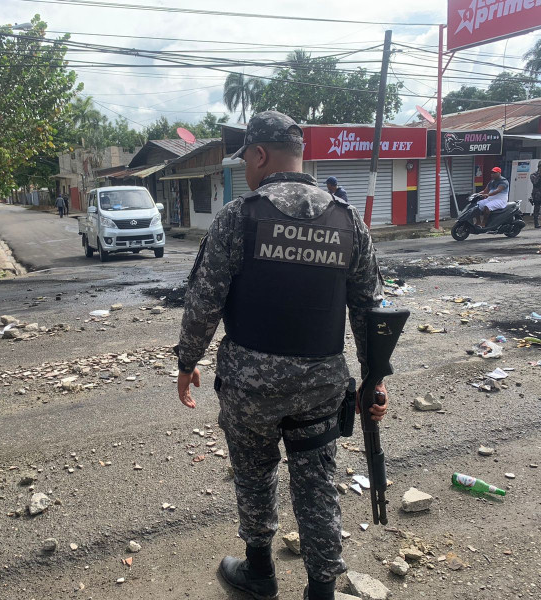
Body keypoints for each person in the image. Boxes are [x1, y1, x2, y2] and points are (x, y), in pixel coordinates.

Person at [174, 111, 384, 600]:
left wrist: (187, 362)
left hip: (251, 390)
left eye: (246, 154)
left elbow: (204, 300)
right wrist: (375, 380)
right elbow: (371, 310)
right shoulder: (349, 220)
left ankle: (260, 572)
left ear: (261, 154)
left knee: (253, 473)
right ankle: (321, 591)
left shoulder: (238, 216)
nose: (245, 164)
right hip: (320, 388)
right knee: (316, 484)